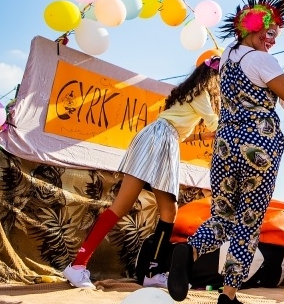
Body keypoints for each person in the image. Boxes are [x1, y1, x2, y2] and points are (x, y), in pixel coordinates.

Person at [167, 0, 284, 304]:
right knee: (248, 223)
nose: (273, 40)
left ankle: (187, 252)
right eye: (271, 32)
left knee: (222, 216)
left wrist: (283, 2)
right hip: (257, 147)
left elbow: (273, 87)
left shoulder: (229, 56)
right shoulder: (262, 59)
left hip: (225, 144)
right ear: (254, 27)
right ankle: (228, 295)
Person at [62, 57, 221, 290]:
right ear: (214, 80)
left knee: (130, 206)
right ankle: (150, 272)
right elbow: (216, 125)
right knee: (166, 211)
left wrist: (207, 136)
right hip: (162, 141)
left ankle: (81, 266)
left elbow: (184, 132)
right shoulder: (202, 94)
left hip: (156, 137)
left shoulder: (189, 93)